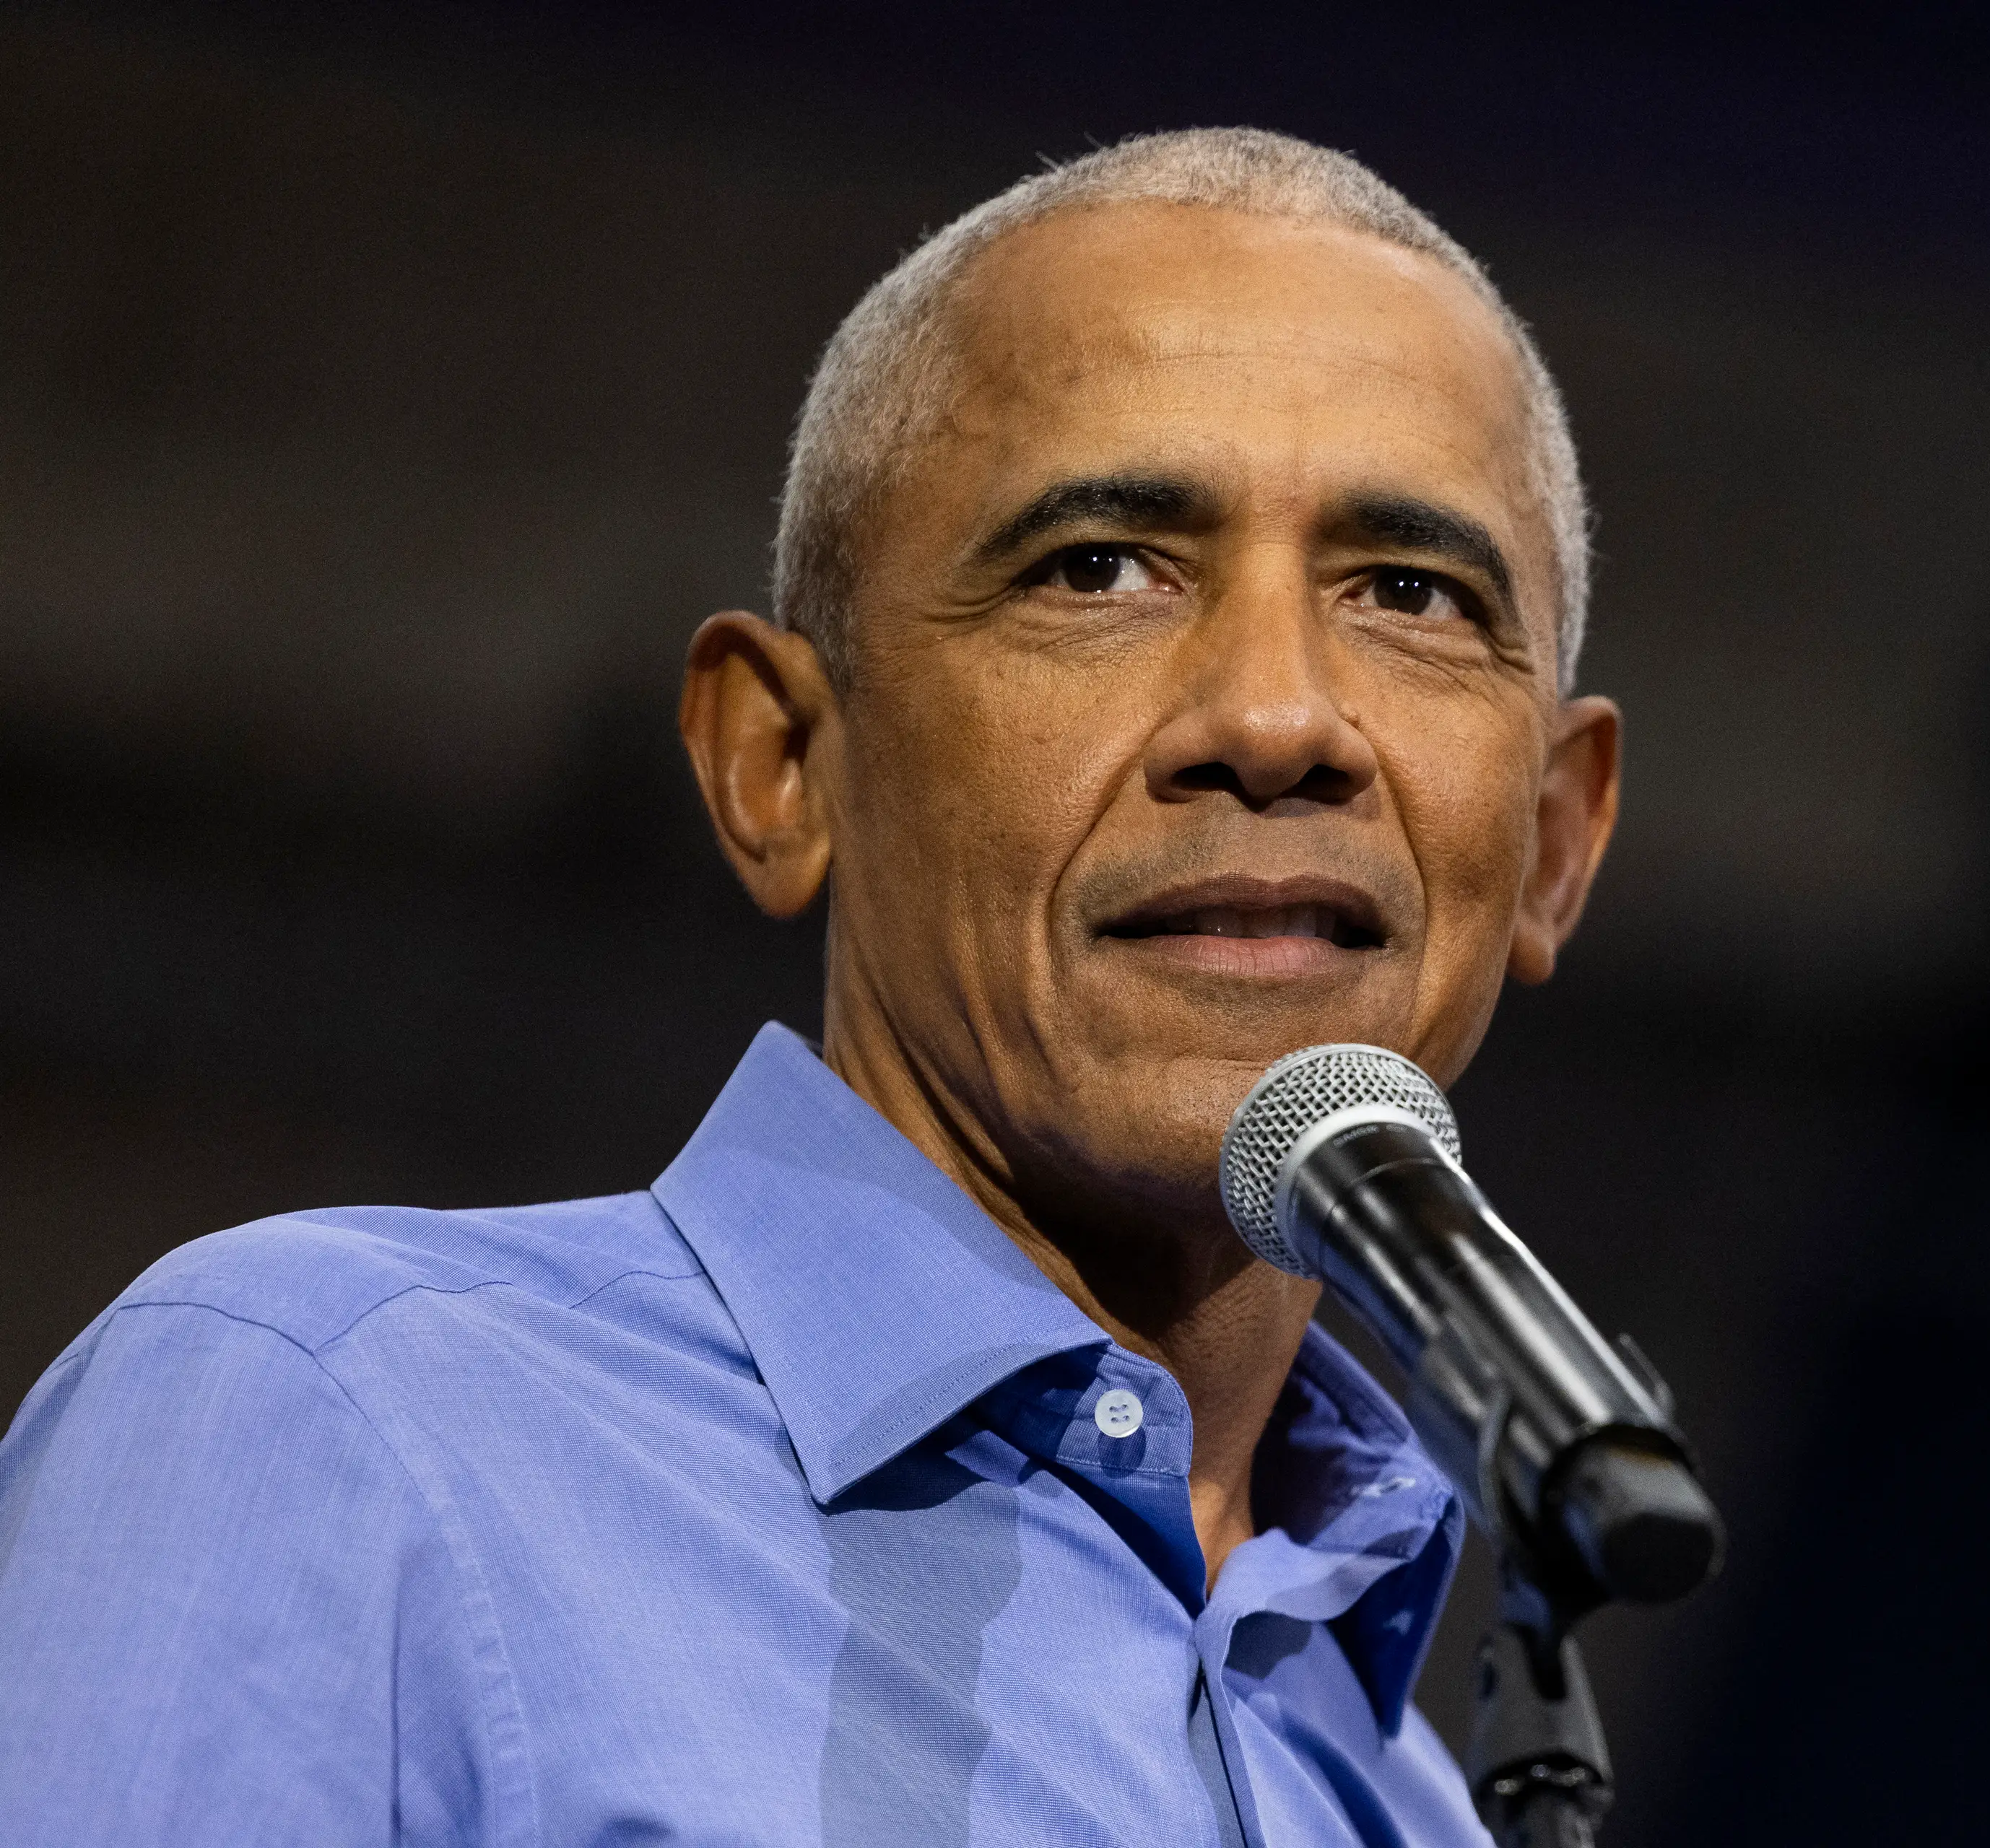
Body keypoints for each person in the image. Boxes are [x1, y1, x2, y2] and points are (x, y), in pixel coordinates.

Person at [0, 128, 1622, 1844]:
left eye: (1410, 593)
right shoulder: (344, 1421)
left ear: (1554, 843)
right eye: (1098, 567)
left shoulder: (1422, 1805)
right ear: (781, 760)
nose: (1280, 719)